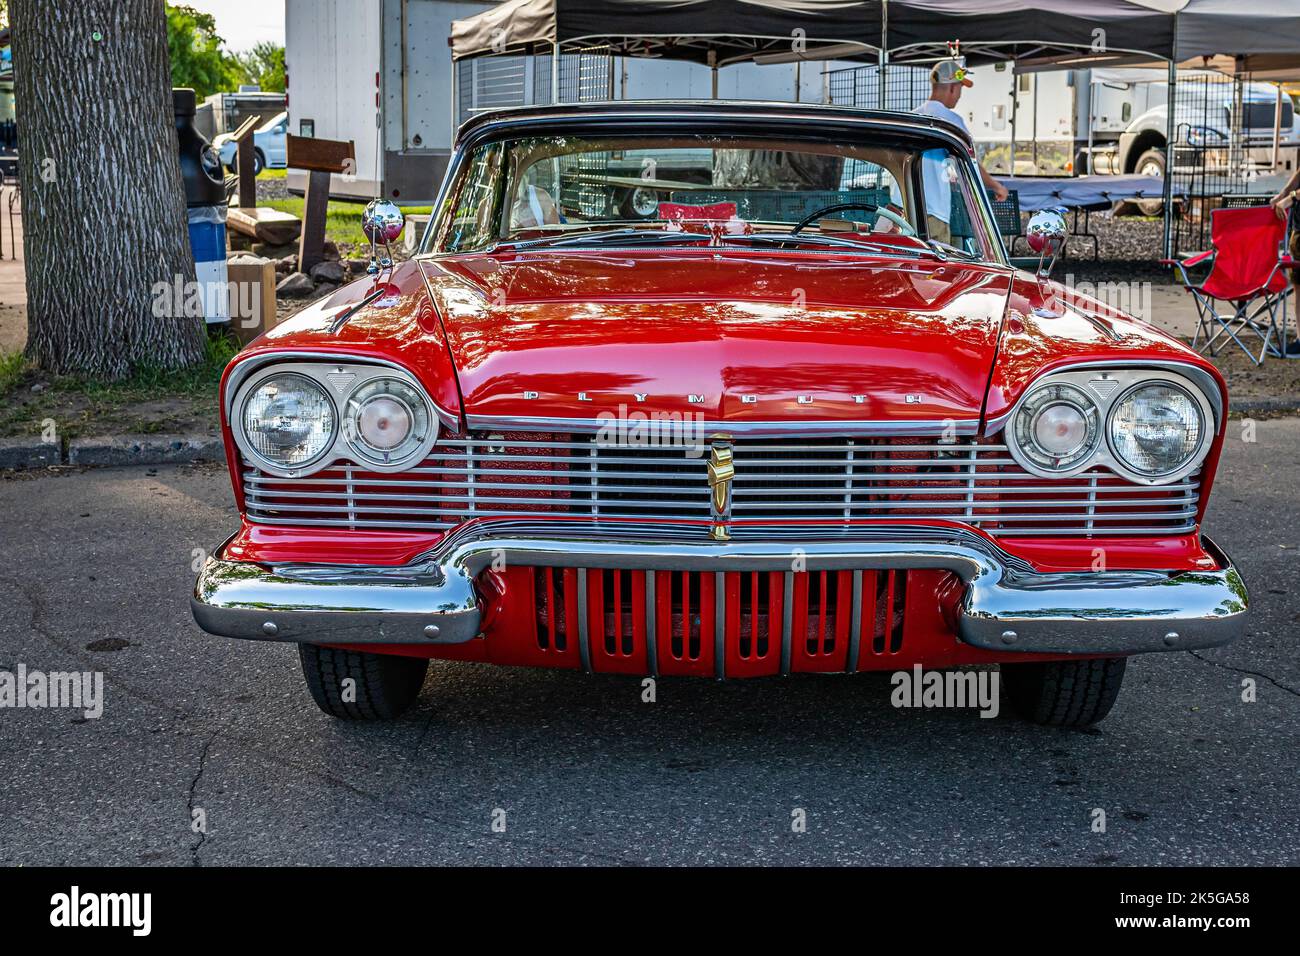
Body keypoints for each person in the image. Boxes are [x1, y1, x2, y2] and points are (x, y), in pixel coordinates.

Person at [914, 59, 1008, 244]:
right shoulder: (950, 120)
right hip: (933, 214)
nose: (959, 96)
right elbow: (969, 160)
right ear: (951, 88)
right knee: (935, 270)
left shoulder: (914, 115)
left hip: (905, 208)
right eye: (960, 89)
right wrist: (997, 186)